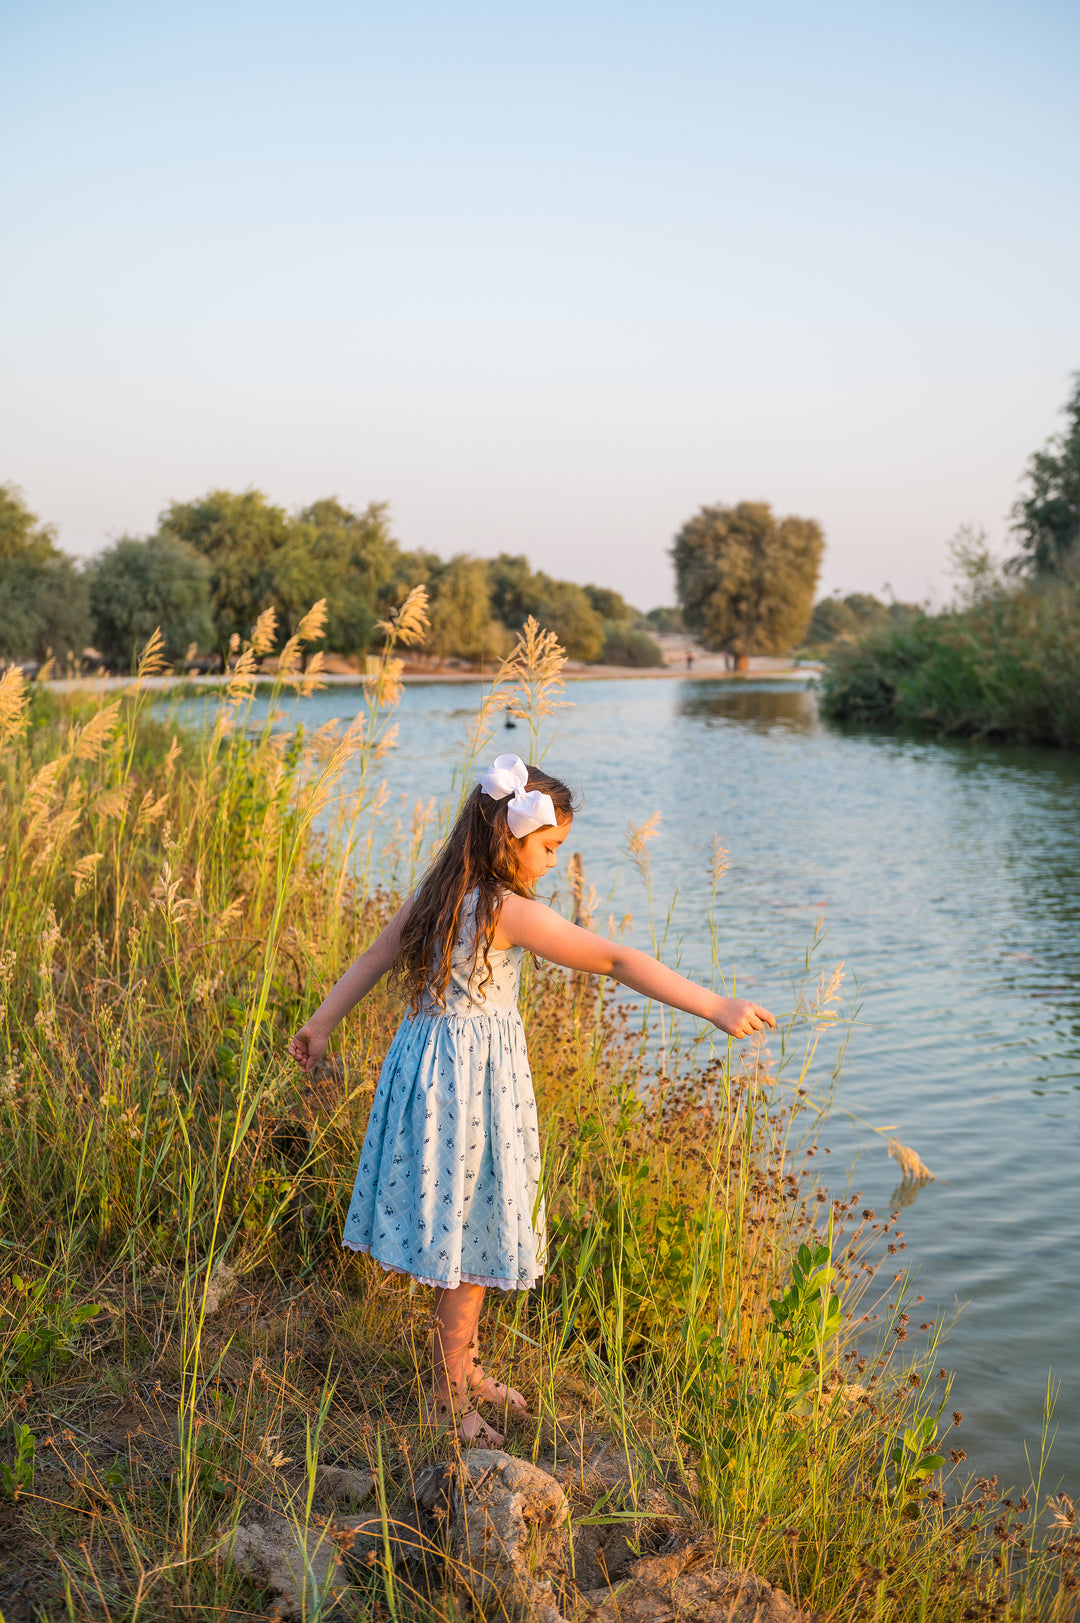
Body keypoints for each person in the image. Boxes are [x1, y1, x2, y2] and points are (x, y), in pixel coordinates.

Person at [289, 753, 774, 1445]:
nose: (552, 862)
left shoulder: (438, 894)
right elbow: (615, 959)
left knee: (468, 1226)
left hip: (427, 1071)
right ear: (509, 838)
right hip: (470, 1088)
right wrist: (714, 1004)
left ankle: (466, 1368)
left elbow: (373, 959)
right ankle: (449, 1398)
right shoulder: (506, 910)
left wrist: (321, 1023)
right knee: (469, 1235)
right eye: (548, 847)